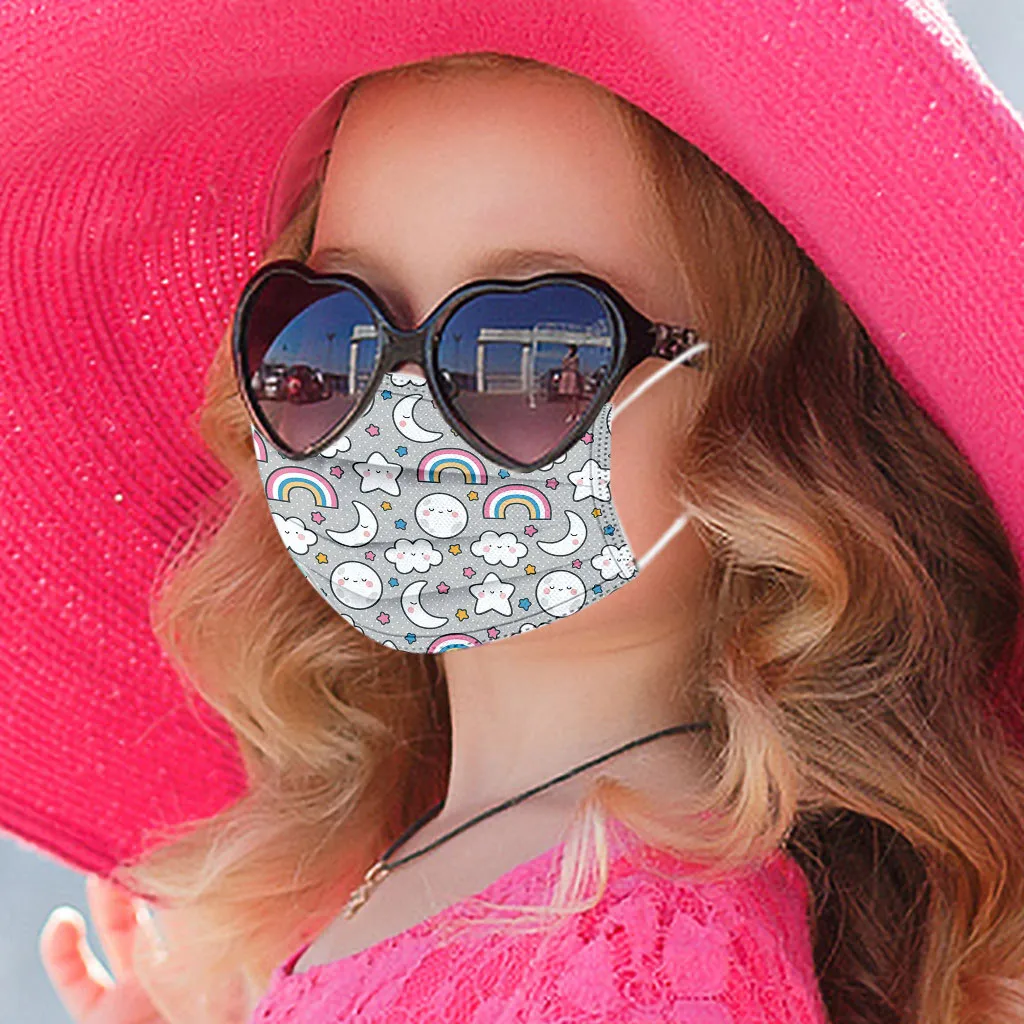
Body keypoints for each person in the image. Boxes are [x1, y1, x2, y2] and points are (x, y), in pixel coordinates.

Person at [10, 10, 1022, 1024]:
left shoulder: (657, 956)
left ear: (767, 419)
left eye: (532, 350)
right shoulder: (427, 871)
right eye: (335, 332)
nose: (398, 413)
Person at [556, 343, 584, 423]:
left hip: (572, 375)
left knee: (574, 396)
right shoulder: (566, 357)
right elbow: (563, 365)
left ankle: (577, 413)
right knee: (567, 396)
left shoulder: (576, 358)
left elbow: (574, 366)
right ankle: (571, 413)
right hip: (566, 375)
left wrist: (568, 364)